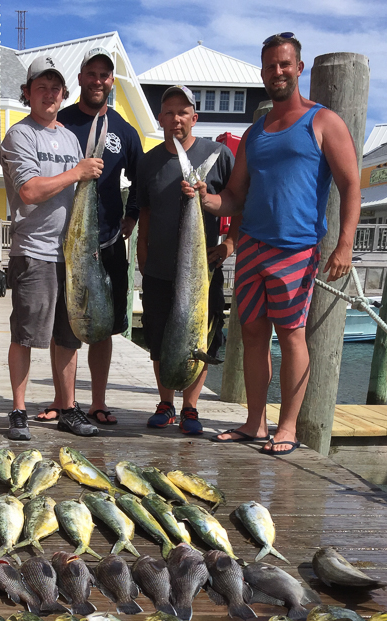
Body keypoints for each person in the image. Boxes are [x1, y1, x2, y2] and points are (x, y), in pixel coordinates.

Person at [188, 33, 361, 455]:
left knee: (292, 336)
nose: (277, 72)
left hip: (297, 250)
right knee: (250, 334)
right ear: (263, 72)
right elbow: (235, 196)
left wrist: (345, 243)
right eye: (270, 66)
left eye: (284, 64)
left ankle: (287, 427)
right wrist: (205, 199)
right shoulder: (255, 133)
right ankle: (254, 422)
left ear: (298, 68)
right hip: (251, 248)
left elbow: (351, 182)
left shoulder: (323, 122)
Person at [0, 54, 103, 441]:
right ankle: (18, 409)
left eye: (55, 88)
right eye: (41, 87)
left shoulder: (72, 138)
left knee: (68, 336)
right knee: (26, 334)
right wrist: (78, 171)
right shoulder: (20, 135)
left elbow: (80, 200)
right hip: (34, 253)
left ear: (64, 93)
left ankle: (67, 407)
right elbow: (29, 191)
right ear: (27, 93)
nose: (49, 94)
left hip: (71, 257)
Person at [41, 47, 143, 426]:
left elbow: (141, 182)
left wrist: (131, 215)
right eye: (91, 73)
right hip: (62, 243)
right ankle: (63, 399)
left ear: (110, 81)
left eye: (105, 75)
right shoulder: (59, 122)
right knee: (64, 326)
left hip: (108, 244)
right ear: (80, 78)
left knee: (104, 328)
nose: (98, 80)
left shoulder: (125, 131)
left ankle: (98, 402)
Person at [136, 85, 236, 436]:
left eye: (183, 112)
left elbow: (238, 203)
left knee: (202, 337)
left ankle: (191, 408)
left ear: (195, 117)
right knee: (159, 336)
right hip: (160, 269)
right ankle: (166, 403)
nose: (176, 118)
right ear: (160, 118)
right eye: (169, 112)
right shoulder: (148, 161)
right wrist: (142, 249)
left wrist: (229, 245)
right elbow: (144, 210)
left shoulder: (219, 154)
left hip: (202, 272)